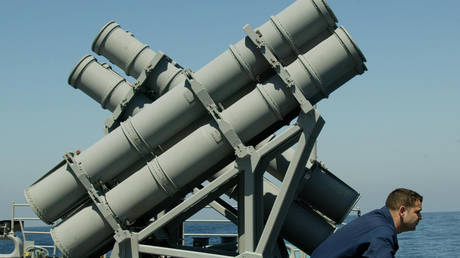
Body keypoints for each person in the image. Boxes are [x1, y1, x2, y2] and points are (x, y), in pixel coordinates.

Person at [311, 188, 423, 258]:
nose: (420, 217)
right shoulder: (383, 231)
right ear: (402, 211)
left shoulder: (376, 219)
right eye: (417, 212)